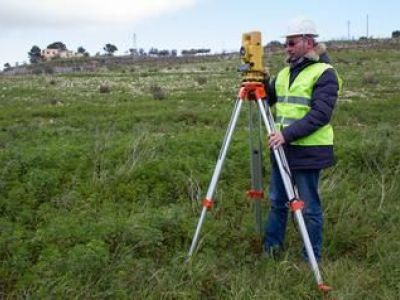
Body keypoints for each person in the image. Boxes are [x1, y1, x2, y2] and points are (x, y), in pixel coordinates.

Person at [264, 18, 342, 261]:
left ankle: (311, 257)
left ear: (308, 42)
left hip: (308, 150)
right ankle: (272, 251)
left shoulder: (324, 73)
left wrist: (285, 135)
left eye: (291, 43)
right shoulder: (285, 72)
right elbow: (270, 100)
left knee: (309, 208)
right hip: (282, 150)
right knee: (277, 201)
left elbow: (320, 114)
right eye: (285, 43)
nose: (287, 47)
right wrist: (261, 83)